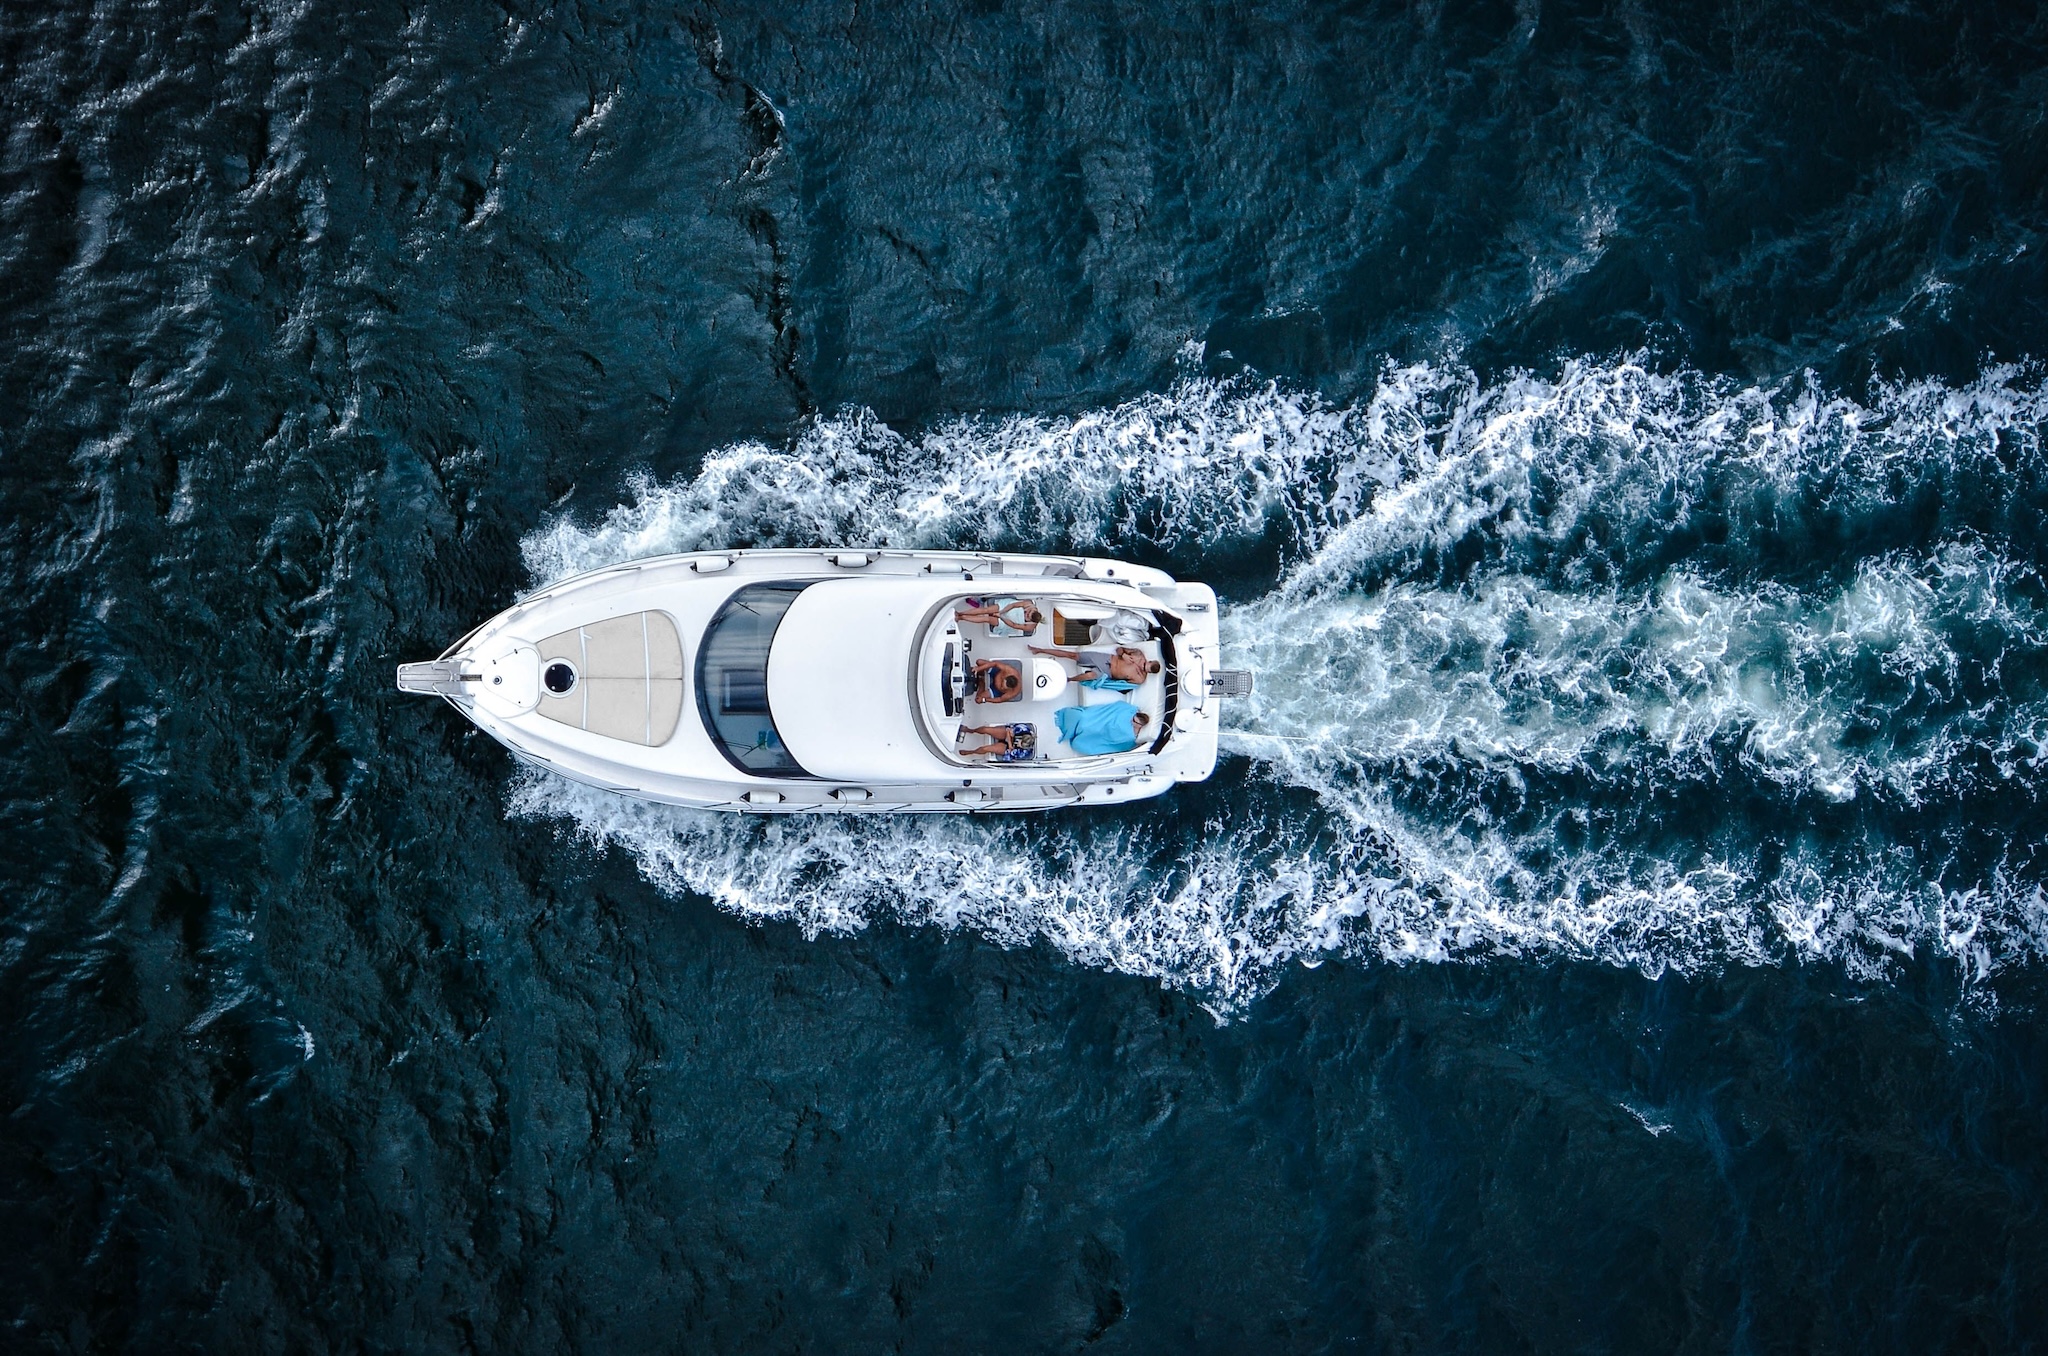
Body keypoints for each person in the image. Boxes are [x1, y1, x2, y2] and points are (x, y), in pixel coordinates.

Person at [1028, 643, 1161, 690]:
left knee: (1090, 676)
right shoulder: (1138, 654)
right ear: (1148, 660)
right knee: (1073, 655)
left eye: (1145, 670)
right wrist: (1124, 655)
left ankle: (1069, 680)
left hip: (1108, 673)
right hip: (1107, 659)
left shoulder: (1139, 679)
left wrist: (1106, 681)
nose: (1141, 667)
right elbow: (1119, 649)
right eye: (1144, 664)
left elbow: (1120, 684)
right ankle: (1040, 650)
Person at [1054, 701, 1150, 755]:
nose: (1131, 721)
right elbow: (1115, 707)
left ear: (1139, 725)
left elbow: (1115, 741)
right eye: (1133, 718)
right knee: (1083, 716)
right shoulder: (1130, 710)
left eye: (1134, 721)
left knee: (1084, 730)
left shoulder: (1129, 736)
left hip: (1099, 731)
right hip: (1097, 717)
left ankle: (1079, 730)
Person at [954, 596, 1042, 636]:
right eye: (1027, 612)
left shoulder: (1030, 627)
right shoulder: (1028, 604)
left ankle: (961, 618)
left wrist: (1001, 617)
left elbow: (1014, 625)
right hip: (1007, 608)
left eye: (1027, 616)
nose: (1026, 614)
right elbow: (1013, 605)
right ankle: (961, 613)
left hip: (1008, 623)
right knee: (986, 610)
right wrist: (1001, 612)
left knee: (987, 618)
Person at [959, 722, 1037, 761]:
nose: (1019, 744)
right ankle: (971, 730)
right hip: (1007, 736)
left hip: (1006, 748)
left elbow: (1010, 752)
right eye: (1020, 742)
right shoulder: (1022, 729)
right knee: (986, 729)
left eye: (1020, 746)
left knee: (986, 749)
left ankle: (971, 752)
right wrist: (1010, 742)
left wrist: (1009, 742)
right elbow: (1008, 730)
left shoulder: (1024, 752)